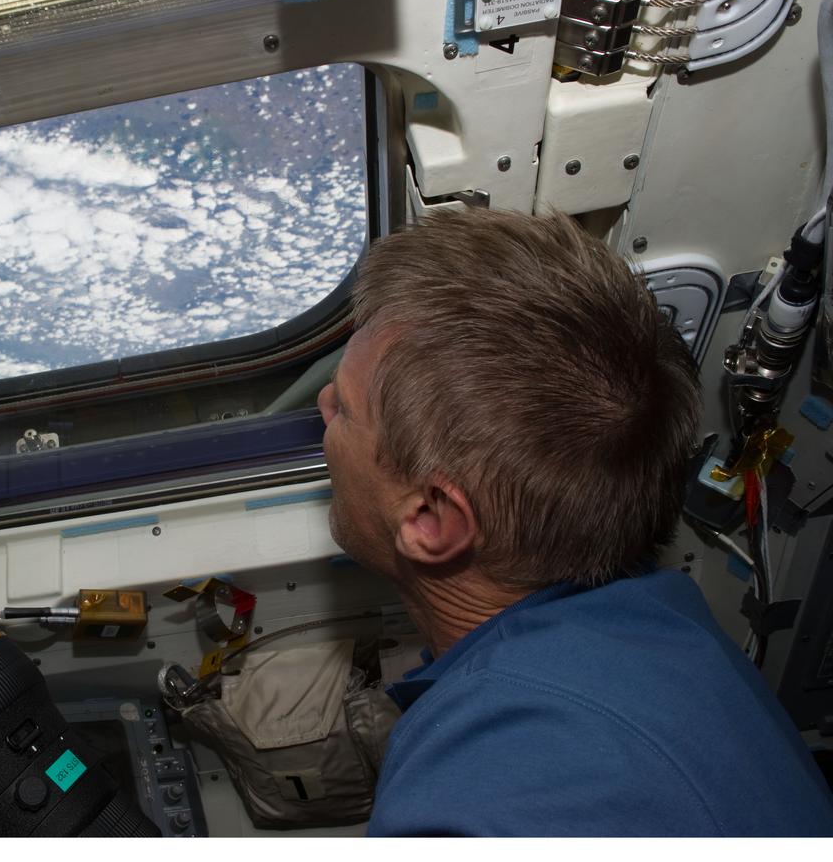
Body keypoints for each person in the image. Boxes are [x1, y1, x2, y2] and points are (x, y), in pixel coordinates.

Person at [317, 207, 833, 836]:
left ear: (430, 520)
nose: (321, 405)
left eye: (343, 408)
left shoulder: (476, 807)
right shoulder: (667, 616)